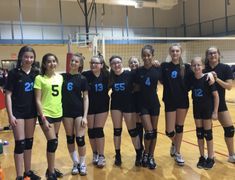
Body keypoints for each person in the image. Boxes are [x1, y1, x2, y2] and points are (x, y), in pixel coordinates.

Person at [4, 46, 41, 180]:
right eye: (26, 57)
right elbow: (8, 95)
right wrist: (10, 115)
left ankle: (28, 172)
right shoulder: (14, 73)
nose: (28, 59)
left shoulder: (36, 73)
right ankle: (19, 175)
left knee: (29, 142)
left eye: (31, 57)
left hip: (31, 113)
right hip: (17, 113)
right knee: (20, 143)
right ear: (21, 57)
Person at [161, 43, 192, 166]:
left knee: (179, 128)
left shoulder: (187, 67)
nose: (175, 53)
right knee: (169, 131)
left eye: (177, 51)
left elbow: (198, 75)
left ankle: (178, 152)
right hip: (169, 101)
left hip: (182, 101)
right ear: (170, 53)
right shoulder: (164, 66)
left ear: (180, 52)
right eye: (173, 51)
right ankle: (174, 143)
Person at [34, 53, 63, 180]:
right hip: (46, 114)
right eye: (49, 61)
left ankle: (50, 168)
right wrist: (43, 118)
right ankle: (51, 172)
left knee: (54, 142)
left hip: (58, 113)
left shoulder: (60, 78)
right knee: (52, 142)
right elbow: (37, 100)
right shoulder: (39, 79)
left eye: (54, 61)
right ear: (44, 64)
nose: (52, 64)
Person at [109, 55, 142, 167]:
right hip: (115, 106)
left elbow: (142, 74)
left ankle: (138, 154)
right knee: (117, 131)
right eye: (113, 63)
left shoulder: (130, 74)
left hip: (129, 106)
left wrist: (156, 64)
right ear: (111, 66)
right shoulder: (110, 77)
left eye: (118, 62)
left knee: (132, 131)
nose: (116, 65)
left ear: (122, 63)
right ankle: (117, 155)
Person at [204, 46, 235, 163]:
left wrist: (216, 78)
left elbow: (229, 87)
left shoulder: (225, 68)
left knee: (230, 129)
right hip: (206, 104)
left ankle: (231, 155)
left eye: (215, 53)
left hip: (220, 103)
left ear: (218, 54)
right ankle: (210, 154)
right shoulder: (202, 69)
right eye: (210, 53)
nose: (213, 55)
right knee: (207, 131)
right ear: (207, 56)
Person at [134, 45, 162, 169]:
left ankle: (151, 156)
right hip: (143, 105)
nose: (146, 57)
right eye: (144, 55)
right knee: (149, 132)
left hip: (155, 104)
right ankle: (145, 154)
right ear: (142, 56)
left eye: (148, 55)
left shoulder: (158, 69)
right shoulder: (138, 71)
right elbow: (134, 88)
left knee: (154, 132)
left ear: (152, 56)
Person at [62, 53, 89, 176]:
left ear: (80, 64)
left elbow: (86, 98)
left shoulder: (82, 79)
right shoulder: (62, 77)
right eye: (72, 61)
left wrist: (85, 116)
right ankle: (75, 163)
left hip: (78, 112)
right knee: (70, 138)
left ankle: (82, 163)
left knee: (80, 139)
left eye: (76, 62)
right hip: (66, 112)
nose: (73, 63)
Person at [190, 57, 219, 169]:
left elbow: (216, 96)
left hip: (207, 110)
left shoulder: (207, 78)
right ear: (192, 67)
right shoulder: (191, 79)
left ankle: (211, 157)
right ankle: (202, 156)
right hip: (197, 111)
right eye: (194, 65)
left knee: (208, 134)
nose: (196, 67)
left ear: (202, 66)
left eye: (198, 65)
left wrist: (215, 112)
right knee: (199, 134)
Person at [82, 54, 110, 168]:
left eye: (96, 63)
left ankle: (102, 156)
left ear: (101, 65)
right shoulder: (85, 75)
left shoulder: (107, 75)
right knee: (91, 131)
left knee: (98, 130)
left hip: (102, 106)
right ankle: (95, 153)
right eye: (91, 63)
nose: (93, 65)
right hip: (89, 107)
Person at [128, 57, 144, 151]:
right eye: (131, 62)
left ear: (139, 63)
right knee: (135, 128)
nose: (133, 64)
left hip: (142, 102)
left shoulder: (143, 72)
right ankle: (139, 149)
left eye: (135, 62)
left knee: (141, 126)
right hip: (131, 102)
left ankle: (142, 150)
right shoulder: (127, 75)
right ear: (129, 64)